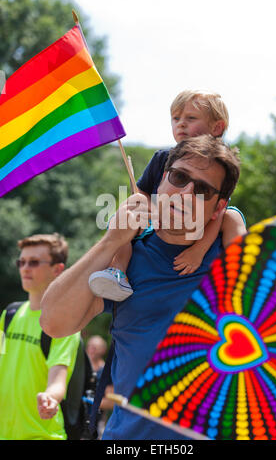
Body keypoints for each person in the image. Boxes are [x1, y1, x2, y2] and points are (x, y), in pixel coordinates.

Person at [40, 135, 243, 440]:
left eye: (202, 190)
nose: (186, 193)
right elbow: (54, 322)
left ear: (218, 208)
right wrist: (111, 241)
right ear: (162, 180)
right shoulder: (125, 254)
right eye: (179, 177)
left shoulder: (233, 256)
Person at [88, 90, 246, 301]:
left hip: (200, 222)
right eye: (176, 118)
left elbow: (219, 212)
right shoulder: (163, 157)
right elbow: (142, 192)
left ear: (217, 127)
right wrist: (146, 212)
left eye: (191, 118)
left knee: (231, 217)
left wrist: (198, 251)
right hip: (160, 218)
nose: (181, 124)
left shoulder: (219, 166)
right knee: (128, 211)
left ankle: (242, 272)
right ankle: (117, 270)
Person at [0, 233, 80, 440]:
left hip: (42, 434)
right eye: (22, 261)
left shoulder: (65, 321)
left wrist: (50, 398)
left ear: (57, 269)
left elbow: (58, 380)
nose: (25, 268)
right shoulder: (9, 314)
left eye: (34, 262)